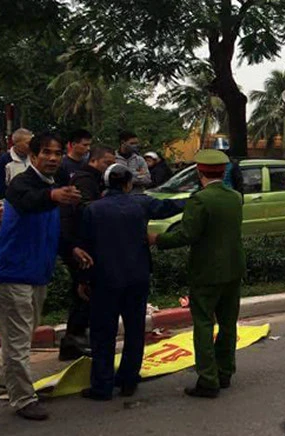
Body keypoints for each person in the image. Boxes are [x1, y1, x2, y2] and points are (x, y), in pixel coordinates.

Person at [79, 164, 185, 400]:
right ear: (128, 184)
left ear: (105, 185)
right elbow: (170, 206)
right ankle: (128, 380)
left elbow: (85, 249)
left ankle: (102, 385)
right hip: (137, 277)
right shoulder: (141, 203)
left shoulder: (92, 210)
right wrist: (197, 198)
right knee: (135, 329)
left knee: (103, 333)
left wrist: (84, 280)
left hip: (104, 280)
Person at [0, 132, 85, 420]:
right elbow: (27, 201)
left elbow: (53, 231)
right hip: (14, 274)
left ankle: (9, 379)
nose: (52, 158)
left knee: (20, 337)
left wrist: (71, 249)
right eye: (46, 153)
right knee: (19, 340)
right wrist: (54, 196)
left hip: (38, 274)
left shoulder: (53, 187)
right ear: (33, 157)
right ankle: (23, 399)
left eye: (57, 153)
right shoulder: (22, 184)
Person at [149, 150, 245, 399]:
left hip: (207, 271)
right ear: (223, 172)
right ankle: (225, 372)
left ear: (199, 173)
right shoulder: (235, 197)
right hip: (234, 269)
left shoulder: (200, 200)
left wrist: (157, 239)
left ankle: (208, 379)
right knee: (227, 324)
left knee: (203, 323)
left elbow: (187, 234)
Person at [58, 145, 116, 361]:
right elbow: (84, 213)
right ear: (94, 161)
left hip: (80, 245)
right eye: (107, 163)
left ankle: (72, 343)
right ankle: (75, 340)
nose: (109, 168)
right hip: (81, 247)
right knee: (84, 293)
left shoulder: (94, 180)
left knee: (81, 294)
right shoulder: (85, 181)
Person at [0, 128, 33, 196]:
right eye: (28, 143)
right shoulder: (5, 160)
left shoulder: (34, 158)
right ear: (16, 143)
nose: (31, 146)